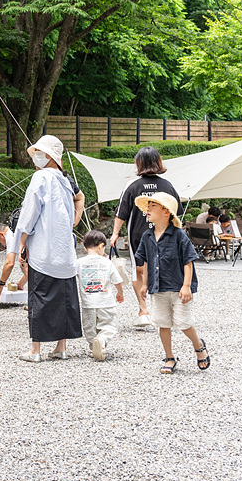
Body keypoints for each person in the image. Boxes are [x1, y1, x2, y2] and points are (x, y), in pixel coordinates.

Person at [11, 134, 81, 361]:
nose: (37, 156)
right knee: (64, 297)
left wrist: (21, 241)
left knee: (39, 296)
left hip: (44, 248)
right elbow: (74, 207)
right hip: (64, 249)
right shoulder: (65, 181)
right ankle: (61, 347)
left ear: (50, 156)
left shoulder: (41, 177)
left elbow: (30, 211)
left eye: (41, 152)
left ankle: (35, 350)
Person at [134, 192, 210, 375]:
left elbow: (188, 261)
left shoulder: (179, 235)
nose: (148, 210)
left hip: (178, 287)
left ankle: (198, 346)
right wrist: (144, 284)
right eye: (148, 207)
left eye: (153, 207)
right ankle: (169, 357)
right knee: (163, 323)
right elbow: (144, 260)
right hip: (157, 286)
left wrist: (186, 286)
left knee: (183, 323)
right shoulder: (147, 236)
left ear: (166, 212)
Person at [110, 146, 179, 328]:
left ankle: (143, 311)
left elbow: (121, 212)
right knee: (161, 269)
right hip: (164, 234)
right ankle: (164, 311)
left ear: (139, 163)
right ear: (158, 162)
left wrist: (115, 233)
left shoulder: (133, 185)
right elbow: (176, 210)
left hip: (138, 236)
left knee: (139, 271)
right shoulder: (167, 185)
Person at [76, 230, 126, 361]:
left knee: (90, 328)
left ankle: (94, 347)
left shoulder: (79, 263)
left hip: (88, 304)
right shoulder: (107, 262)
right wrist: (120, 293)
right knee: (109, 325)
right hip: (106, 303)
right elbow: (117, 280)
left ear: (85, 247)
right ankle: (102, 340)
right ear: (100, 246)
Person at [0, 223, 27, 295]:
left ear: (2, 234)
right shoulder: (14, 229)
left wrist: (0, 284)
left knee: (25, 265)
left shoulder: (9, 235)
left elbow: (9, 263)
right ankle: (21, 284)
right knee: (23, 264)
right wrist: (20, 284)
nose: (4, 245)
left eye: (0, 241)